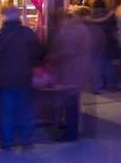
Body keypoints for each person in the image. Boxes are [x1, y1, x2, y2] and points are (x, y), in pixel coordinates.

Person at [0, 5, 44, 149]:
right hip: (24, 77)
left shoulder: (1, 35)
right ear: (19, 16)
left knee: (6, 112)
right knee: (25, 110)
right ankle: (26, 140)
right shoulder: (28, 32)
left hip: (4, 79)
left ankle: (7, 141)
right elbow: (38, 53)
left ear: (4, 17)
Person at [50, 7, 93, 141]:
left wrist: (54, 56)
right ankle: (72, 130)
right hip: (79, 70)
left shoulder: (68, 31)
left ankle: (71, 133)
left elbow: (65, 51)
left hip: (70, 71)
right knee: (73, 103)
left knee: (70, 104)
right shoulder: (82, 28)